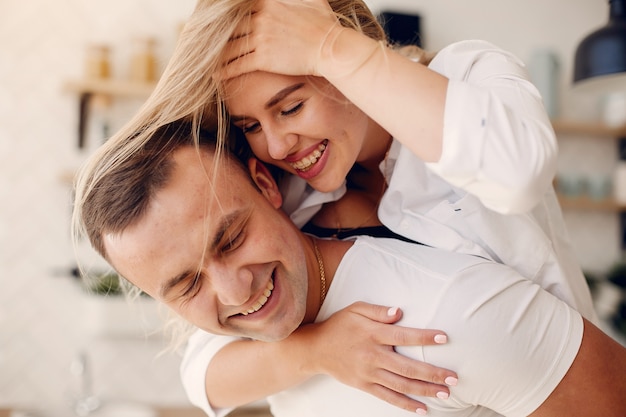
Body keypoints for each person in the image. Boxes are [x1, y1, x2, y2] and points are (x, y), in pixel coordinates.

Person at [75, 0, 595, 412]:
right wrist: (317, 350)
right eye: (251, 126)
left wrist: (328, 44)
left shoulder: (465, 78)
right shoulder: (290, 188)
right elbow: (202, 371)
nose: (277, 145)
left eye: (292, 105)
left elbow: (519, 173)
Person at [72, 122, 626, 417]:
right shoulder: (262, 339)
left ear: (267, 186)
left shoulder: (450, 313)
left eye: (232, 238)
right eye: (186, 285)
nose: (234, 290)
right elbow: (201, 380)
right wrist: (314, 351)